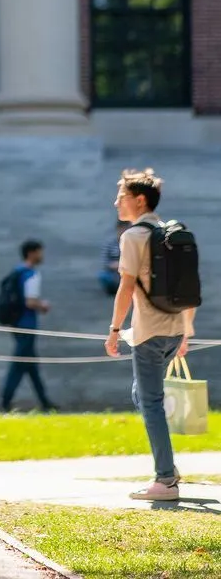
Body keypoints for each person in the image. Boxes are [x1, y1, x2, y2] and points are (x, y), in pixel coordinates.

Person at [105, 168, 195, 501]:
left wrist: (114, 329)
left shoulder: (133, 236)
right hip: (173, 330)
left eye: (121, 196)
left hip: (148, 333)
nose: (116, 202)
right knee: (143, 396)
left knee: (151, 402)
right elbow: (188, 286)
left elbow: (126, 286)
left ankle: (165, 480)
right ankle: (167, 465)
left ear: (139, 200)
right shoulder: (170, 232)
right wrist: (186, 330)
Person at [0, 239, 56, 413]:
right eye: (40, 252)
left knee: (31, 365)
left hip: (17, 323)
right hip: (27, 325)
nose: (42, 256)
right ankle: (5, 400)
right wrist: (43, 306)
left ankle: (45, 401)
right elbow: (31, 302)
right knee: (19, 364)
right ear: (32, 253)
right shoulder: (31, 274)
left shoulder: (17, 271)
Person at [97, 218, 122, 296]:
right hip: (113, 272)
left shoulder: (132, 244)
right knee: (103, 276)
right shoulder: (110, 243)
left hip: (128, 272)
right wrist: (114, 265)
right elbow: (104, 261)